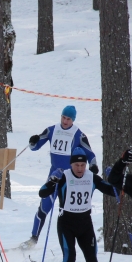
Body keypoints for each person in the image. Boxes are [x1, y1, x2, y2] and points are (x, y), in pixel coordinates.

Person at [39, 148, 116, 262]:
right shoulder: (64, 176)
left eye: (83, 165)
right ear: (71, 165)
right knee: (70, 258)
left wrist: (115, 179)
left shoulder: (91, 177)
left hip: (85, 224)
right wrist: (53, 181)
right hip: (66, 223)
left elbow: (113, 192)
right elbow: (42, 193)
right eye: (76, 165)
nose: (80, 168)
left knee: (92, 261)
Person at [25, 105, 99, 248]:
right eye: (63, 117)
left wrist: (93, 165)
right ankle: (33, 239)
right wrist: (32, 141)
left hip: (70, 178)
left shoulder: (79, 134)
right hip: (54, 175)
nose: (65, 121)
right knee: (44, 206)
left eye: (68, 119)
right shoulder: (52, 130)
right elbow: (35, 146)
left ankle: (71, 242)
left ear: (73, 120)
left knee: (67, 211)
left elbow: (90, 154)